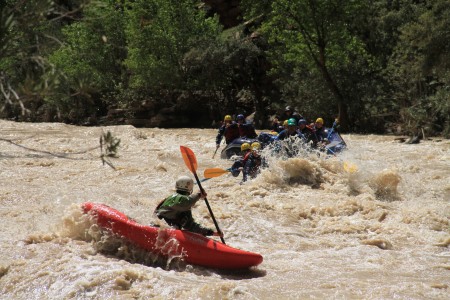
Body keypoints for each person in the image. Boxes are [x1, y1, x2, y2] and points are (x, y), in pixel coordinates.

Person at [155, 176, 222, 237]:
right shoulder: (184, 203)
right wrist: (211, 233)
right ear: (190, 188)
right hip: (167, 229)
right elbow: (190, 226)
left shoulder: (169, 198)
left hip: (156, 224)